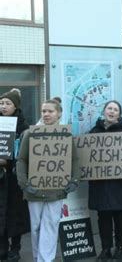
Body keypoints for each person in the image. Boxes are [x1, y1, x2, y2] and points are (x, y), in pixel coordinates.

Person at [16, 98, 79, 262]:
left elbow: (74, 159)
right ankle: (38, 257)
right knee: (36, 227)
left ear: (58, 114)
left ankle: (46, 259)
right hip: (34, 190)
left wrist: (74, 180)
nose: (46, 114)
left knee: (51, 225)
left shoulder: (66, 135)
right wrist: (24, 183)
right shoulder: (30, 134)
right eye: (44, 111)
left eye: (50, 111)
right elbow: (21, 159)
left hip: (56, 190)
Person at [88, 101, 122, 261]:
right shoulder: (94, 131)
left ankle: (120, 249)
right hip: (100, 184)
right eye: (109, 108)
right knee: (103, 218)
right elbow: (87, 155)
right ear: (104, 111)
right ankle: (106, 249)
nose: (112, 111)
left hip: (121, 184)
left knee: (121, 217)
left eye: (115, 109)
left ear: (119, 113)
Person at [0, 89, 30, 262]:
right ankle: (2, 247)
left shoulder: (24, 127)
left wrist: (8, 162)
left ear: (15, 106)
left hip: (15, 178)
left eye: (7, 103)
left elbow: (25, 154)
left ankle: (15, 248)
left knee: (15, 214)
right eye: (1, 103)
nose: (3, 107)